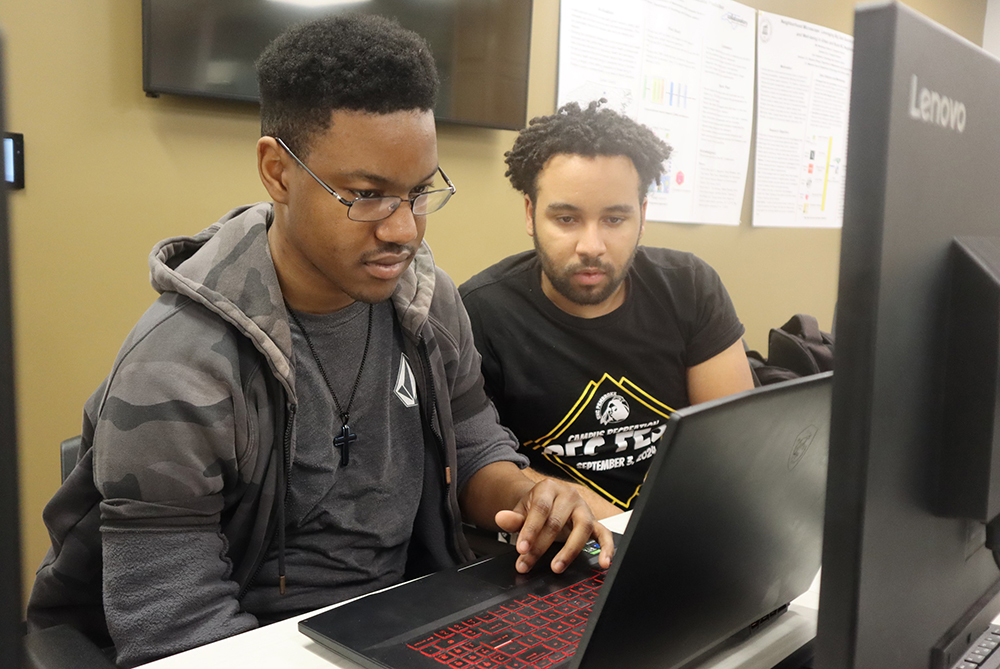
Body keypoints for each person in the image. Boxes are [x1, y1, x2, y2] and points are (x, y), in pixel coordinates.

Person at [26, 16, 611, 667]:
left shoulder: (427, 300)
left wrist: (530, 496)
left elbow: (476, 451)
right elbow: (174, 624)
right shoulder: (177, 366)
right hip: (247, 642)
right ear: (277, 171)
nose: (403, 231)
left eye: (419, 193)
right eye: (366, 195)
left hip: (401, 619)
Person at [459, 101, 755, 519]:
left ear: (643, 216)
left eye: (615, 220)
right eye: (566, 218)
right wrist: (602, 518)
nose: (591, 246)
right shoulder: (479, 313)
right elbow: (476, 471)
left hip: (686, 529)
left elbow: (737, 446)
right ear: (530, 213)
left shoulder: (689, 286)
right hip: (557, 551)